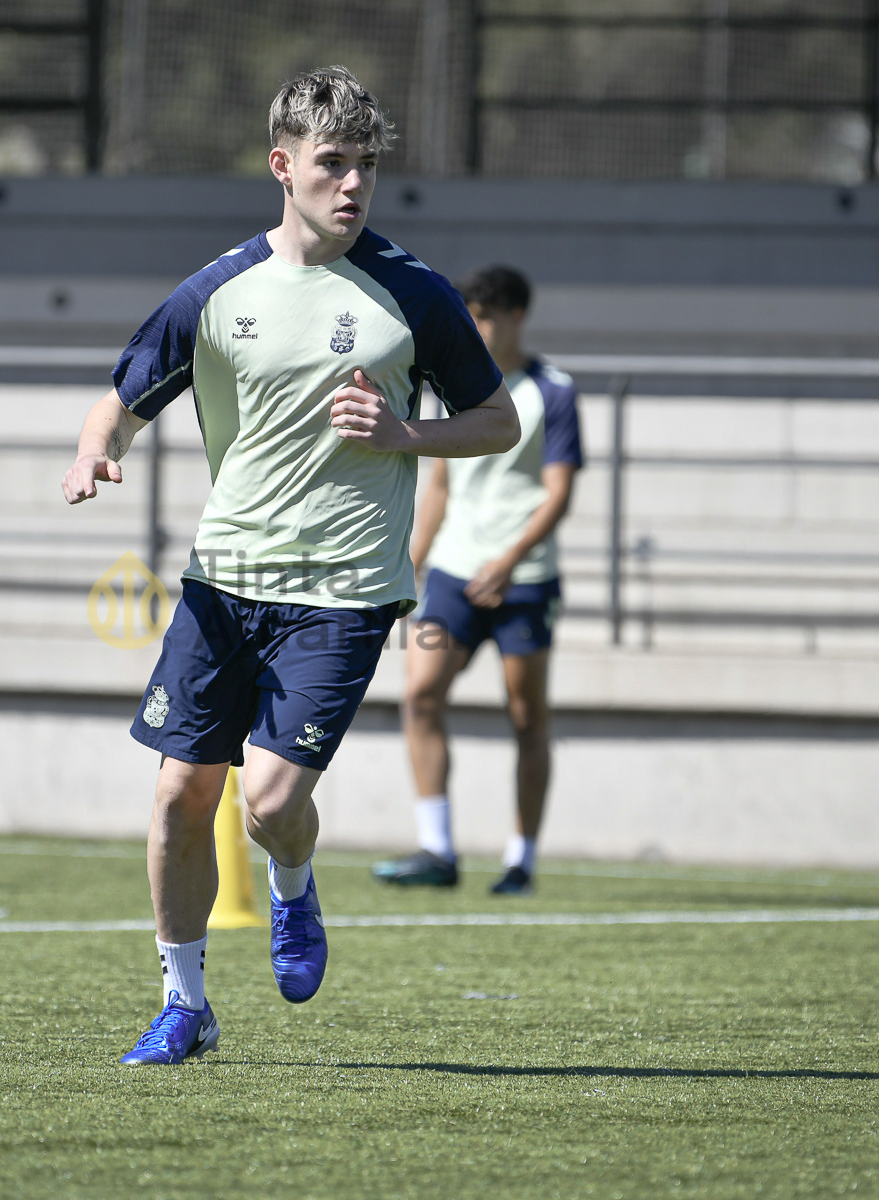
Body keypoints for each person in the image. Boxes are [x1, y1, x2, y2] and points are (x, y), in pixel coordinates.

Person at [61, 67, 519, 1065]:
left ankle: (293, 886)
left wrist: (405, 434)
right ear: (282, 165)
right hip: (223, 581)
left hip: (344, 591)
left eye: (366, 165)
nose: (353, 184)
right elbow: (121, 400)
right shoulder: (218, 291)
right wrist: (98, 450)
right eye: (332, 163)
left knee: (269, 801)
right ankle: (185, 1004)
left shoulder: (413, 292)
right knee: (181, 794)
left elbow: (498, 420)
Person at [375, 266, 582, 896]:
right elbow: (439, 484)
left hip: (524, 583)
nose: (478, 328)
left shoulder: (554, 391)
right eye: (471, 317)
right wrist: (412, 560)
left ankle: (521, 860)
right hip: (454, 575)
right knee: (421, 695)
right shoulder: (457, 385)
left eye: (487, 317)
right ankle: (437, 849)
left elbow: (558, 493)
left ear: (517, 316)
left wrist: (510, 560)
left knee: (526, 717)